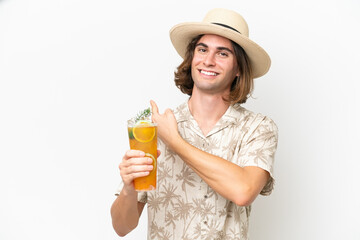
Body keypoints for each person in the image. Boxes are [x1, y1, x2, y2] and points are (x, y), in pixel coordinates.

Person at [111, 8, 278, 240]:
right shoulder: (154, 128)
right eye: (202, 50)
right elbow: (122, 227)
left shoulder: (258, 128)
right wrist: (129, 188)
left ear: (239, 68)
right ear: (192, 59)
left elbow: (243, 191)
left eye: (222, 54)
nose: (208, 61)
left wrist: (175, 142)